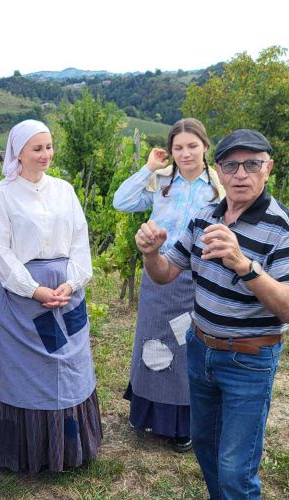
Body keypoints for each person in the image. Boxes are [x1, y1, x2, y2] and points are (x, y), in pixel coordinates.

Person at [135, 129, 289, 499]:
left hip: (248, 360)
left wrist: (243, 264)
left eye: (252, 164)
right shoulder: (204, 218)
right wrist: (151, 253)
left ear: (268, 168)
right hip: (200, 351)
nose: (241, 174)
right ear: (219, 169)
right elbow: (166, 274)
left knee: (235, 469)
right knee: (206, 448)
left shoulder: (285, 227)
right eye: (231, 165)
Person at [0, 119, 102, 473]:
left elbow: (80, 240)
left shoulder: (64, 190)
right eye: (37, 148)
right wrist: (33, 288)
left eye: (49, 147)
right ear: (18, 153)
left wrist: (73, 281)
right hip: (25, 295)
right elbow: (0, 254)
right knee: (30, 371)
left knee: (69, 364)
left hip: (66, 292)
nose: (45, 154)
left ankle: (70, 446)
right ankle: (27, 450)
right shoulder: (1, 196)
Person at [113, 118, 223, 453]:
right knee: (152, 341)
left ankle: (184, 425)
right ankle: (150, 413)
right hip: (159, 272)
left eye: (192, 146)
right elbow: (121, 201)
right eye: (178, 147)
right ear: (171, 151)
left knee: (186, 347)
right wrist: (148, 167)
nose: (185, 153)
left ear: (205, 146)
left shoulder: (218, 188)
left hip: (200, 278)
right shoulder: (161, 182)